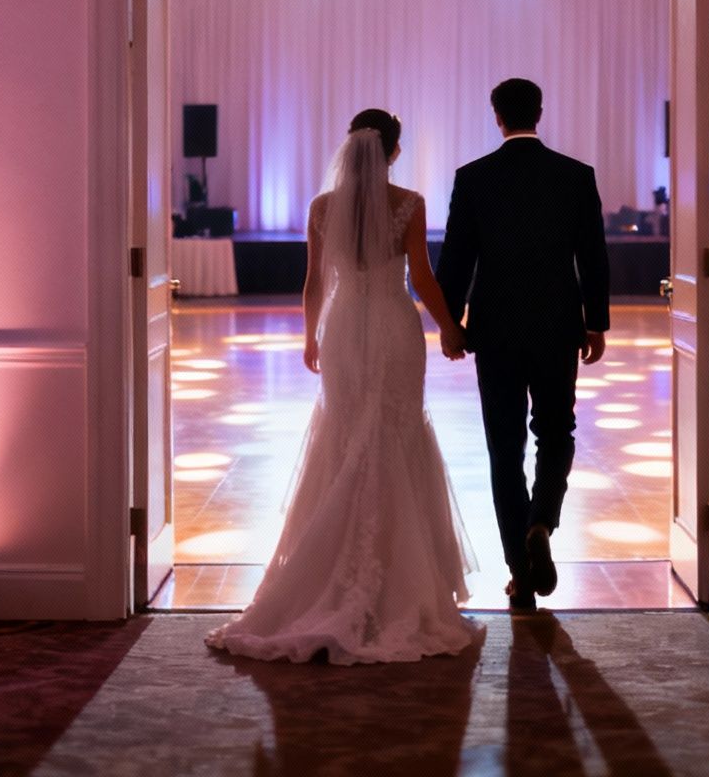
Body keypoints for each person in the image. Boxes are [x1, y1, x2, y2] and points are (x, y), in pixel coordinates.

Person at [205, 109, 481, 664]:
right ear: (394, 151)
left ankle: (328, 572)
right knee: (396, 432)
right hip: (393, 327)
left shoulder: (321, 208)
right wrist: (451, 325)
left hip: (344, 328)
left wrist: (311, 338)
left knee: (344, 433)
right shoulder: (408, 202)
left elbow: (313, 281)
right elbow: (422, 279)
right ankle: (400, 582)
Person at [435, 79, 611, 613]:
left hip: (496, 329)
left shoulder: (474, 178)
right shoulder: (576, 177)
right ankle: (542, 521)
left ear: (497, 117)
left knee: (504, 447)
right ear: (540, 111)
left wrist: (451, 323)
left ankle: (521, 576)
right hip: (558, 325)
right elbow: (594, 257)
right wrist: (595, 322)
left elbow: (457, 260)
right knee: (557, 431)